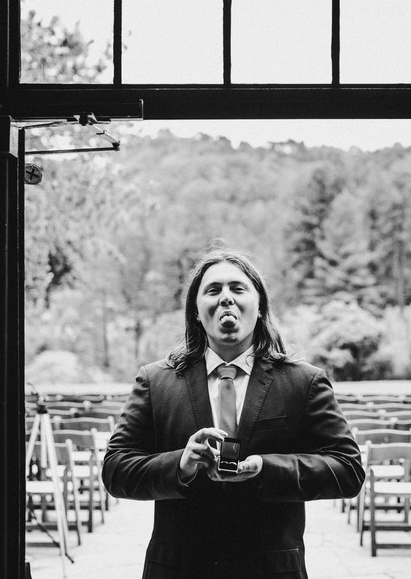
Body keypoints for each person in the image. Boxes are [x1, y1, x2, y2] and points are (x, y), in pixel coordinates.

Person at [103, 248, 364, 579]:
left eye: (238, 288)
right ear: (196, 311)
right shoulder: (156, 381)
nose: (226, 297)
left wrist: (266, 468)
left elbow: (348, 469)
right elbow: (115, 469)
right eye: (213, 290)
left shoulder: (303, 381)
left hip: (270, 570)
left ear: (259, 306)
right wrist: (181, 464)